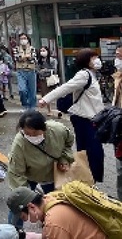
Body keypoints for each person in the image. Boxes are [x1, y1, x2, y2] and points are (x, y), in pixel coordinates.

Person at [39, 48, 105, 183]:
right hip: (84, 119)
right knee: (90, 153)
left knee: (91, 152)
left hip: (92, 119)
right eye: (93, 58)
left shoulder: (92, 74)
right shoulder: (84, 75)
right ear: (87, 61)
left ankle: (88, 180)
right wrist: (46, 99)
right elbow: (66, 88)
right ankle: (87, 180)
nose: (97, 60)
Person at [8, 112, 74, 196]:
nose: (32, 136)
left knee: (56, 202)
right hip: (31, 176)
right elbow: (16, 173)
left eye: (35, 133)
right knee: (23, 203)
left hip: (53, 175)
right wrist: (25, 197)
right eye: (27, 134)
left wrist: (64, 158)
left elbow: (68, 142)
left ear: (44, 128)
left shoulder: (58, 130)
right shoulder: (19, 143)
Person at [6, 186, 107, 239]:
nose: (27, 221)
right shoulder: (50, 198)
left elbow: (53, 228)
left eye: (24, 217)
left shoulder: (53, 221)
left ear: (31, 206)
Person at [14, 33, 38, 112]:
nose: (23, 40)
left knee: (32, 91)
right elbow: (17, 58)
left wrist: (26, 58)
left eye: (24, 38)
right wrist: (26, 57)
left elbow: (34, 60)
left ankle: (32, 108)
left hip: (31, 71)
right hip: (21, 71)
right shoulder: (16, 49)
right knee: (22, 90)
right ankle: (25, 105)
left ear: (28, 39)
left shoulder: (32, 49)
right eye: (21, 38)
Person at [112, 44, 122, 200]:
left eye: (120, 55)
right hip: (119, 127)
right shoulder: (118, 77)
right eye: (117, 55)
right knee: (120, 170)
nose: (117, 58)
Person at [36, 47, 58, 117]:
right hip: (42, 79)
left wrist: (45, 70)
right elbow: (37, 70)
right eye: (41, 51)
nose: (42, 52)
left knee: (52, 93)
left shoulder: (52, 60)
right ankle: (49, 110)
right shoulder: (39, 61)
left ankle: (55, 109)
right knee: (45, 94)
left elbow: (54, 69)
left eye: (44, 50)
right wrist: (41, 72)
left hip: (50, 79)